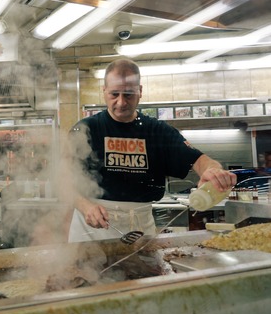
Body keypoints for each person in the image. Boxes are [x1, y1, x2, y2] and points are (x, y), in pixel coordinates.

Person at [67, 59, 236, 242]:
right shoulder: (86, 129)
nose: (121, 102)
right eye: (114, 94)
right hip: (90, 230)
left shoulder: (158, 131)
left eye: (129, 94)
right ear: (104, 91)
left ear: (140, 91)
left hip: (140, 229)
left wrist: (213, 170)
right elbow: (62, 182)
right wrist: (84, 206)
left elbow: (199, 160)